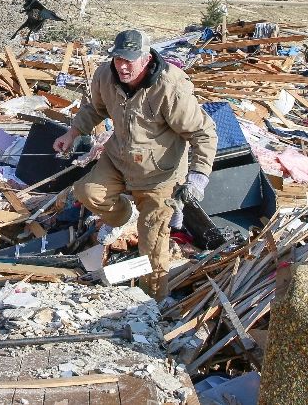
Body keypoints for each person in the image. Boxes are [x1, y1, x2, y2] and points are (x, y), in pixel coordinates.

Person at [53, 30, 218, 301]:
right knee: (86, 192)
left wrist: (199, 177)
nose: (123, 66)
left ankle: (151, 304)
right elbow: (94, 108)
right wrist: (71, 134)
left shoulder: (170, 87)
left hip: (160, 174)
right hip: (119, 159)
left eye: (129, 60)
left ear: (146, 57)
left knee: (152, 244)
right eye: (118, 59)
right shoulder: (105, 76)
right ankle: (124, 216)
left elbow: (203, 133)